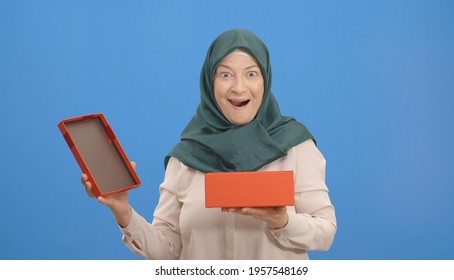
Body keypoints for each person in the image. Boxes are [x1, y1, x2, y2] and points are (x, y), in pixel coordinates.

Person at [81, 29, 336, 259]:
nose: (239, 87)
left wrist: (282, 221)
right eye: (225, 74)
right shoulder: (186, 157)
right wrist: (123, 211)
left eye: (251, 74)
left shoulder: (294, 145)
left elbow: (325, 232)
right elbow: (167, 250)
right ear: (209, 82)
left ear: (265, 80)